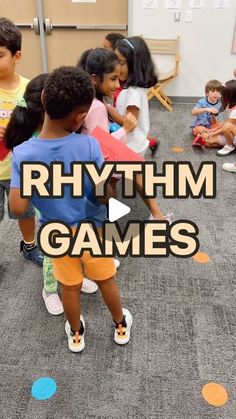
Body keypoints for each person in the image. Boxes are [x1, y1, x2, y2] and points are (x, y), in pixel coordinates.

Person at [9, 66, 133, 352]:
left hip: (56, 234)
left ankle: (76, 332)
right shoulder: (89, 146)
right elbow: (105, 196)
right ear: (79, 117)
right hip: (93, 230)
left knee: (69, 286)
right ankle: (120, 324)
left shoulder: (24, 153)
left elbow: (17, 208)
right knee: (105, 279)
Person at [5, 73, 100, 316]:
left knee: (77, 247)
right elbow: (18, 205)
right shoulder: (31, 147)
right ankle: (49, 289)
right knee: (54, 253)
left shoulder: (68, 139)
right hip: (52, 212)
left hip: (73, 206)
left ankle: (75, 276)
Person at [77, 47, 168, 221]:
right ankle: (156, 217)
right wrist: (124, 129)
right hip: (95, 166)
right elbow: (100, 146)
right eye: (112, 79)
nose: (117, 84)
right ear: (94, 79)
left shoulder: (91, 102)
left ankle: (149, 215)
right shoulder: (96, 107)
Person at [0, 17, 42, 265]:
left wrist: (19, 134)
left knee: (25, 212)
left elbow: (39, 129)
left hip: (19, 170)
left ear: (17, 56)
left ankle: (29, 245)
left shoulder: (29, 89)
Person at [198, 80, 236, 154]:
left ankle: (229, 146)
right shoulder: (231, 106)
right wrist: (215, 130)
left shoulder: (235, 111)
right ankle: (229, 143)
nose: (221, 95)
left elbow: (227, 127)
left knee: (226, 126)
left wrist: (210, 134)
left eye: (223, 93)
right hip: (232, 133)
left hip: (233, 134)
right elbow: (227, 123)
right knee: (208, 143)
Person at [191, 79, 222, 146]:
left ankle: (207, 136)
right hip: (201, 125)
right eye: (213, 91)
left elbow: (215, 122)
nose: (216, 93)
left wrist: (213, 116)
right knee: (200, 129)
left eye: (218, 91)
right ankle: (210, 135)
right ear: (207, 93)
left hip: (211, 126)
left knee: (222, 127)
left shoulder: (219, 104)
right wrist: (206, 109)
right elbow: (193, 112)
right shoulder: (202, 101)